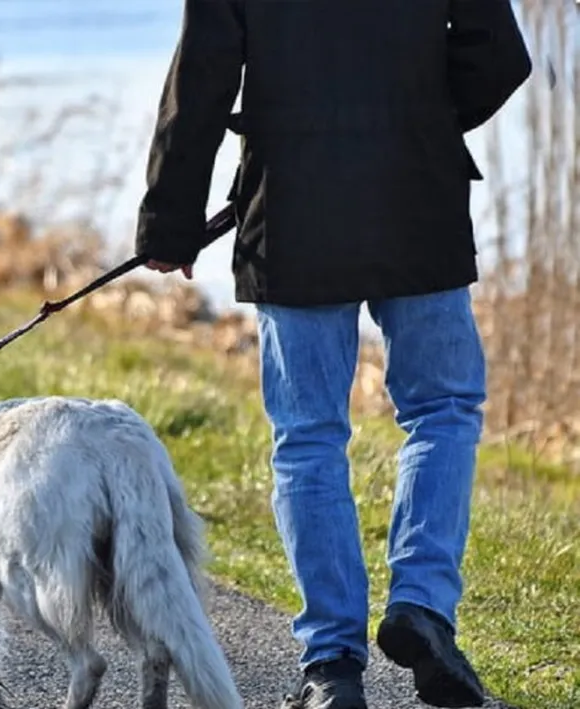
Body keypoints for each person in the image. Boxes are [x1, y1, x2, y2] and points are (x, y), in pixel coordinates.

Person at [134, 1, 532, 708]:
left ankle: (332, 666)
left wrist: (170, 219)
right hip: (420, 199)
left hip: (293, 211)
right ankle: (423, 606)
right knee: (442, 409)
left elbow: (202, 76)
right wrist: (422, 122)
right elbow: (499, 57)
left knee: (309, 435)